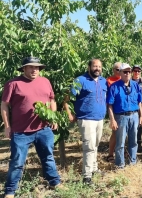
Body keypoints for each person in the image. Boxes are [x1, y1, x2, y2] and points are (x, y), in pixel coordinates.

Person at [1, 57, 62, 197]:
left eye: (37, 67)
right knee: (17, 161)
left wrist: (53, 117)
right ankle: (10, 191)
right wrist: (7, 126)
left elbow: (52, 99)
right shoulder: (13, 83)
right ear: (24, 68)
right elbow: (4, 105)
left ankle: (54, 182)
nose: (35, 70)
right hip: (21, 131)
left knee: (48, 156)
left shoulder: (45, 81)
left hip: (43, 128)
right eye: (31, 67)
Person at [64, 59, 107, 184]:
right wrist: (69, 114)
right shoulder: (80, 80)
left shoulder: (103, 81)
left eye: (99, 66)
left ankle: (94, 169)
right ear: (89, 67)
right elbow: (67, 99)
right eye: (95, 66)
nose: (97, 68)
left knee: (95, 145)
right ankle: (86, 176)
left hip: (99, 118)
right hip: (86, 119)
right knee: (89, 147)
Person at [107, 63, 142, 168]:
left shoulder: (135, 85)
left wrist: (141, 116)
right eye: (125, 72)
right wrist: (112, 120)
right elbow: (109, 104)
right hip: (121, 117)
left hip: (134, 116)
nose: (127, 74)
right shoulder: (114, 87)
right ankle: (120, 164)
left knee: (134, 141)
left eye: (129, 71)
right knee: (120, 143)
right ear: (120, 73)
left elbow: (139, 102)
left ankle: (132, 162)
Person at [106, 62, 122, 163]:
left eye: (121, 69)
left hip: (123, 110)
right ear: (113, 70)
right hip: (114, 110)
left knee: (123, 133)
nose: (119, 71)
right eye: (117, 69)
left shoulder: (125, 79)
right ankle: (110, 154)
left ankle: (120, 151)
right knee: (115, 133)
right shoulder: (109, 81)